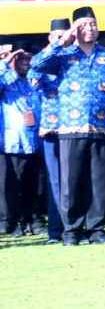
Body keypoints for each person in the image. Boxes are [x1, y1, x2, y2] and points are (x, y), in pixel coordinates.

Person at [30, 7, 105, 246]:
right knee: (71, 183)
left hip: (102, 127)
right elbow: (36, 65)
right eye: (84, 24)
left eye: (94, 24)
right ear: (76, 28)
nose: (90, 29)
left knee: (99, 183)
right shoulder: (63, 55)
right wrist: (61, 42)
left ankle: (96, 229)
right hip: (70, 129)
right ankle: (71, 231)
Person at [0, 47, 42, 236]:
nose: (25, 63)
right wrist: (6, 62)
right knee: (12, 185)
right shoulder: (6, 81)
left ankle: (32, 220)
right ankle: (12, 221)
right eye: (21, 60)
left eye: (27, 60)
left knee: (33, 185)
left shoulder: (34, 81)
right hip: (13, 141)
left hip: (35, 141)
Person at [36, 18, 69, 243]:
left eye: (63, 35)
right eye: (56, 35)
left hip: (75, 128)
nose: (60, 39)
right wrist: (53, 48)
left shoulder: (75, 57)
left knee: (75, 179)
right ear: (50, 37)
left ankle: (77, 227)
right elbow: (32, 78)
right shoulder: (43, 59)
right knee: (55, 181)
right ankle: (57, 230)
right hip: (51, 129)